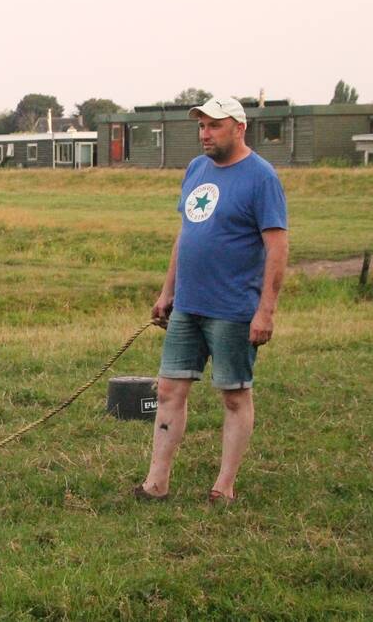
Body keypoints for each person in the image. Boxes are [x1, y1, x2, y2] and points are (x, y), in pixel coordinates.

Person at [135, 97, 289, 504]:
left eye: (214, 126)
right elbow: (186, 233)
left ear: (239, 128)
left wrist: (266, 310)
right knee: (168, 390)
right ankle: (156, 483)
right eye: (201, 126)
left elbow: (276, 247)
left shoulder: (261, 178)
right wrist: (168, 291)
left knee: (234, 395)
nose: (205, 134)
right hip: (188, 304)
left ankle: (224, 487)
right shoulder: (196, 169)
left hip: (234, 308)